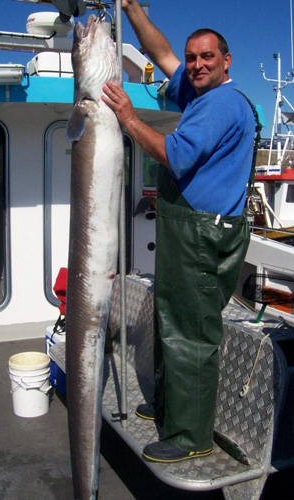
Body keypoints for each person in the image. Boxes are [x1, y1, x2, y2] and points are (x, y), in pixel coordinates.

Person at [102, 0, 256, 463]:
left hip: (202, 237)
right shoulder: (199, 93)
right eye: (192, 58)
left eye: (206, 57)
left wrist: (129, 118)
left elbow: (175, 156)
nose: (195, 65)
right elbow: (162, 53)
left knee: (190, 333)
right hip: (185, 230)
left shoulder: (222, 104)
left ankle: (191, 437)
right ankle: (171, 409)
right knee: (171, 319)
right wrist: (132, 11)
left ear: (226, 61)